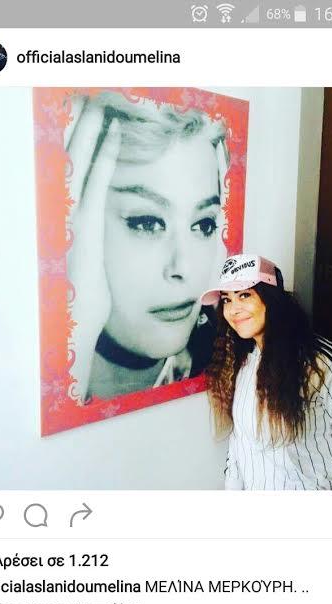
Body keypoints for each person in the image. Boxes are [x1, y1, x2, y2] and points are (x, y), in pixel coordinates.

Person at [65, 91, 228, 402]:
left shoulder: (222, 366)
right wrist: (75, 343)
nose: (185, 268)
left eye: (204, 224)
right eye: (147, 223)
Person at [202, 253, 332, 490]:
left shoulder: (321, 361)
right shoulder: (241, 360)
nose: (233, 309)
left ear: (271, 299)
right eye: (227, 299)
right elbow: (239, 444)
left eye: (245, 295)